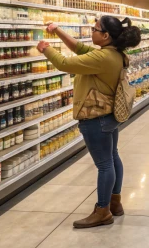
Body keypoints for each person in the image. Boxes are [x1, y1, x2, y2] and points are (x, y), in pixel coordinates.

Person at [36, 16, 142, 229]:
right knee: (113, 158)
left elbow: (65, 63)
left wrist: (46, 48)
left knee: (104, 165)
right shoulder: (113, 54)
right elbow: (79, 48)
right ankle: (115, 203)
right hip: (108, 115)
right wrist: (58, 31)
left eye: (95, 29)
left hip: (95, 116)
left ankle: (102, 211)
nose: (91, 32)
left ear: (105, 36)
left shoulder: (102, 58)